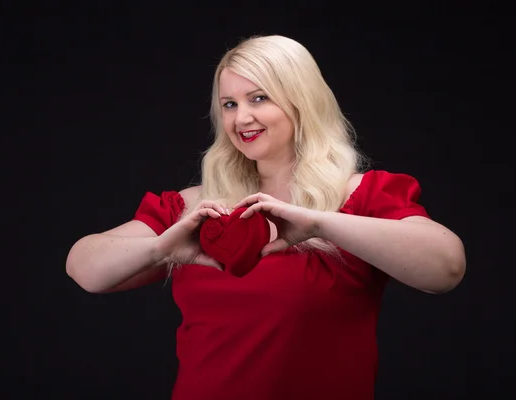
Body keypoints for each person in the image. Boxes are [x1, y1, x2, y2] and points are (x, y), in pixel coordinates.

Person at [66, 35, 466, 400]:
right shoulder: (192, 208)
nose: (241, 119)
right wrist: (160, 248)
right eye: (229, 104)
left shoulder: (360, 197)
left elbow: (445, 269)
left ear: (300, 100)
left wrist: (317, 223)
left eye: (259, 98)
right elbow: (84, 267)